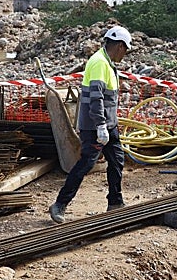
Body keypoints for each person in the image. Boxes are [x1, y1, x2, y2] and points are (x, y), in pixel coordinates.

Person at [49, 25, 132, 224]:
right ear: (120, 46)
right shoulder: (99, 63)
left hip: (109, 124)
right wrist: (101, 125)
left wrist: (108, 124)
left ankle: (115, 202)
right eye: (126, 50)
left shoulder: (107, 62)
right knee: (86, 163)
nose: (125, 55)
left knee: (117, 160)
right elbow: (96, 98)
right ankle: (60, 204)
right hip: (95, 126)